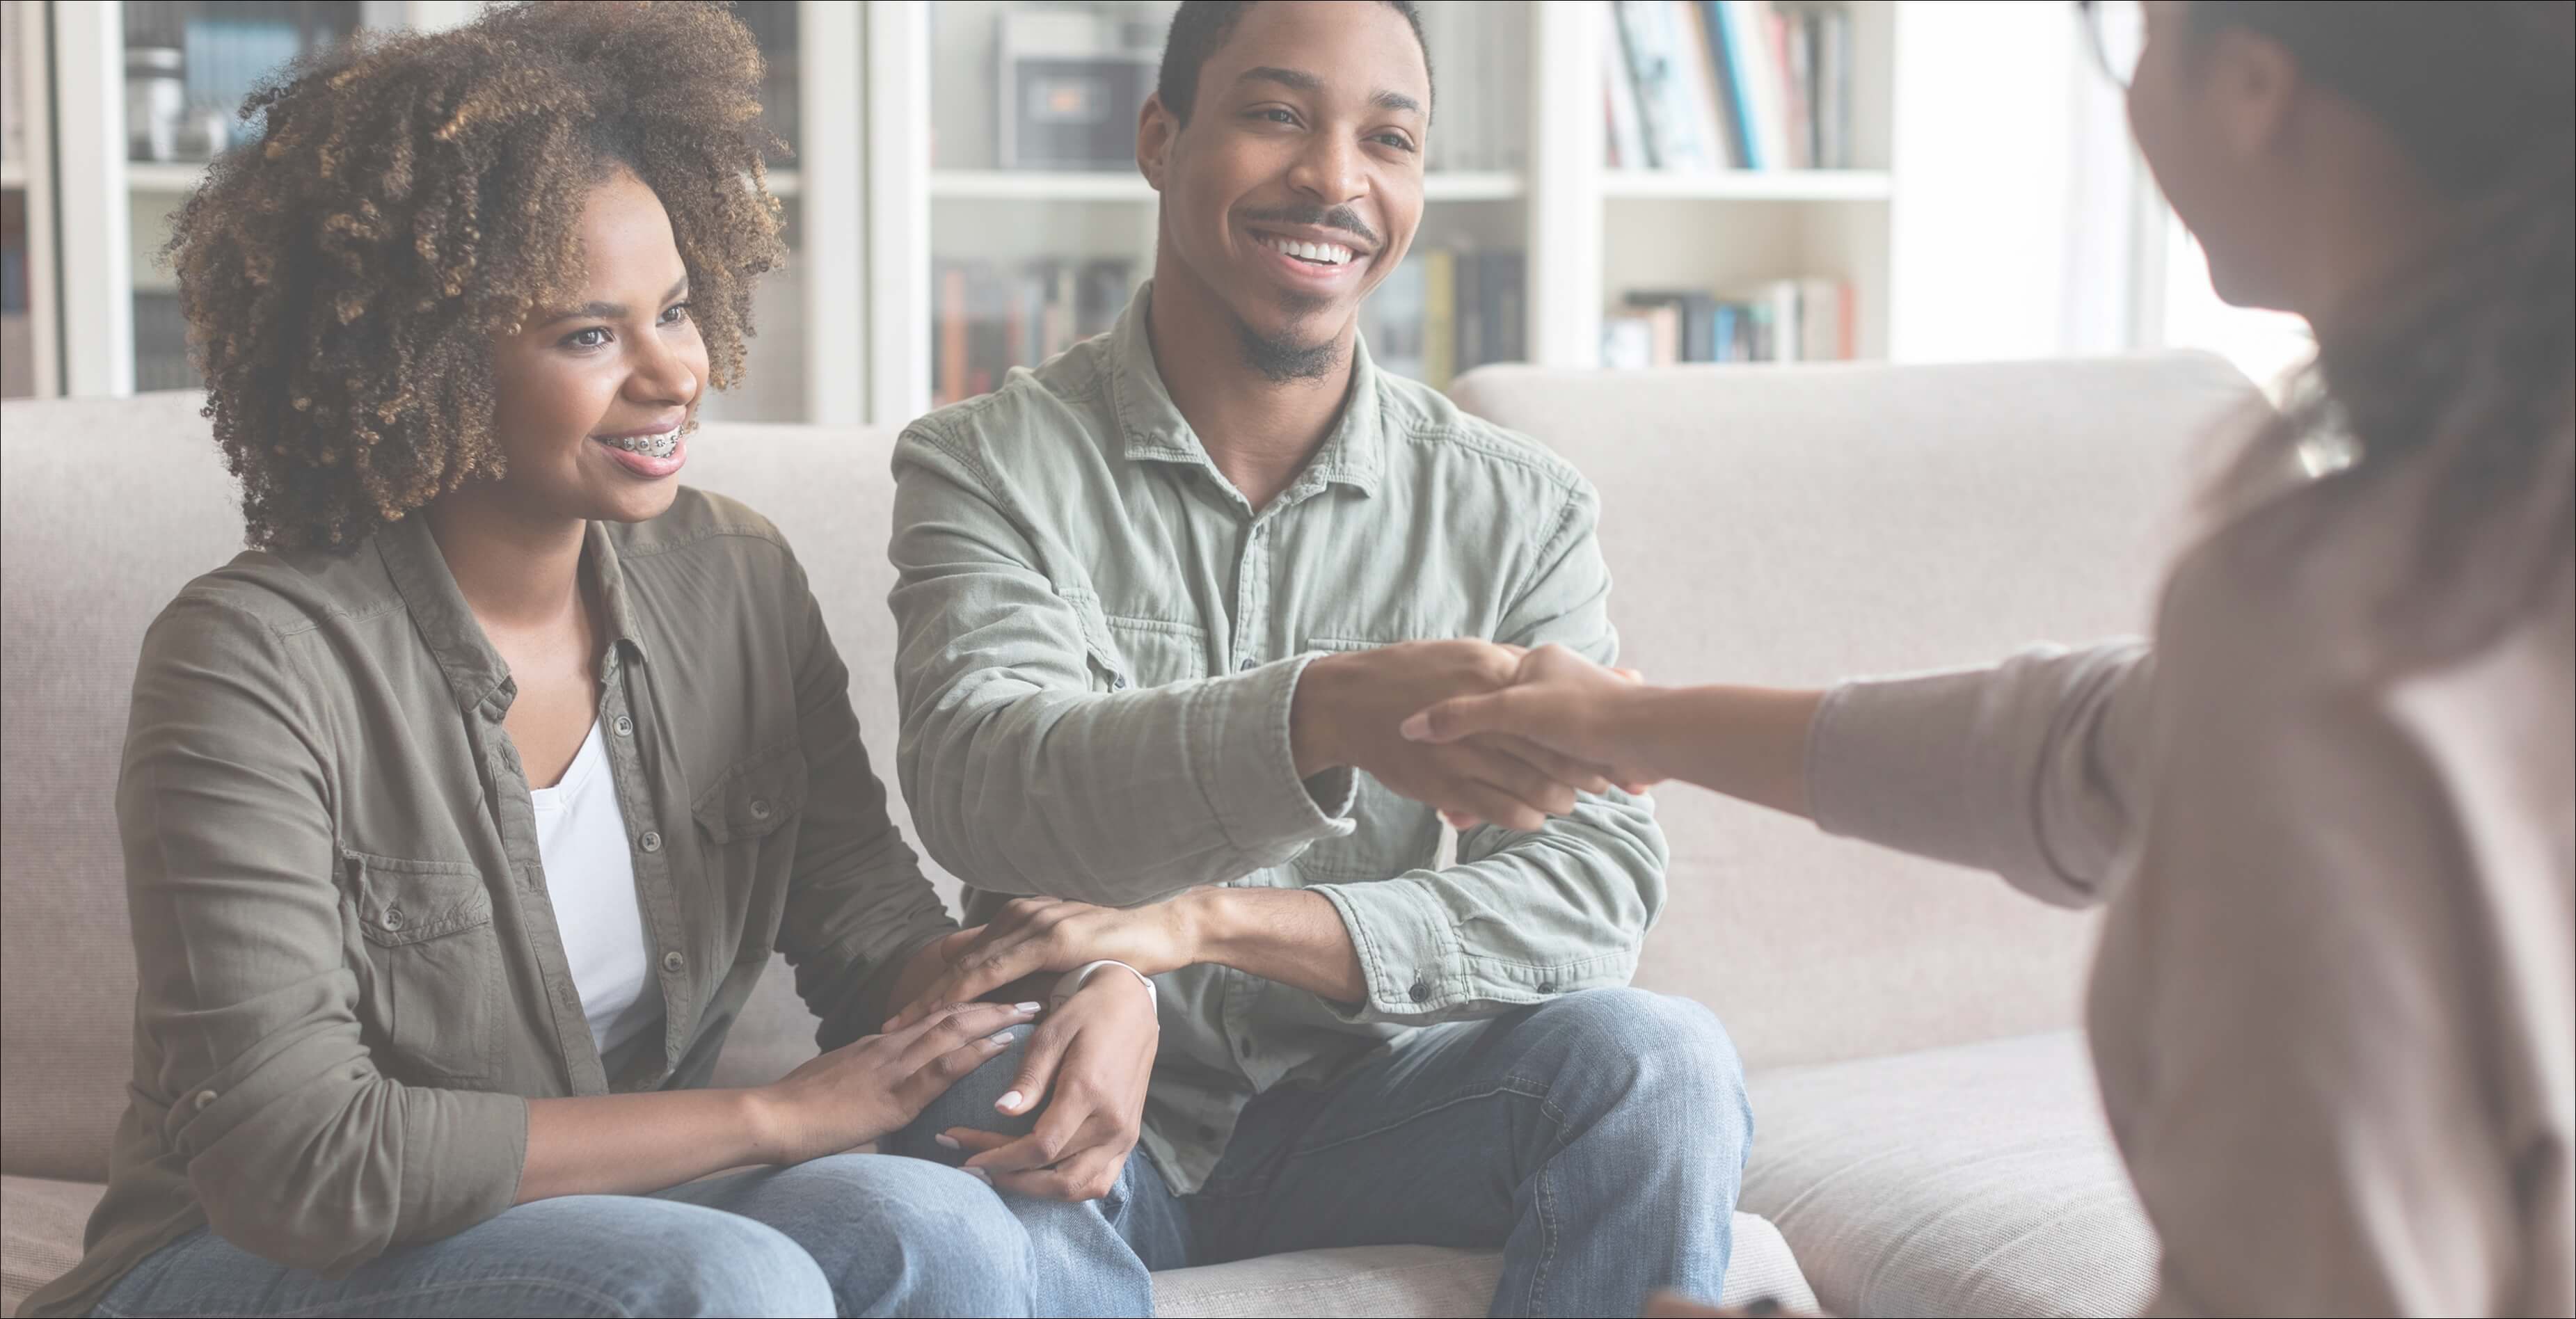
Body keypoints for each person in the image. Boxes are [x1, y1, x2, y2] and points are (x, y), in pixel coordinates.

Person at [1401, 2, 2575, 1314]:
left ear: (2252, 87)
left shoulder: (2333, 620)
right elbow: (2077, 746)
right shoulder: (2471, 553)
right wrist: (1634, 724)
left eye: (2131, 35)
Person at [22, 6, 1159, 1317]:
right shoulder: (252, 663)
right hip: (247, 1260)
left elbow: (871, 937)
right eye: (588, 334)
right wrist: (774, 1117)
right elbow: (299, 1160)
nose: (675, 371)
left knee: (937, 1227)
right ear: (426, 359)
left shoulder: (732, 579)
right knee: (722, 1281)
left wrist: (1101, 989)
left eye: (674, 309)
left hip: (620, 1215)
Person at [875, 2, 1751, 1315]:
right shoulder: (985, 465)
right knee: (954, 1085)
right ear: (1161, 139)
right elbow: (984, 781)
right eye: (1277, 114)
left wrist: (1202, 927)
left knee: (1657, 1059)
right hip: (1075, 1090)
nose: (1335, 181)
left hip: (1377, 1112)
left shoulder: (1517, 511)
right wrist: (1321, 715)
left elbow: (1595, 882)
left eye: (1386, 139)